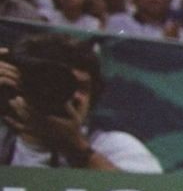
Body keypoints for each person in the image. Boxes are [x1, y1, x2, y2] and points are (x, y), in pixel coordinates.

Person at [0, 32, 161, 171]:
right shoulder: (5, 144)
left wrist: (76, 148)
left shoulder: (117, 148)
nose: (74, 96)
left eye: (82, 88)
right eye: (59, 84)